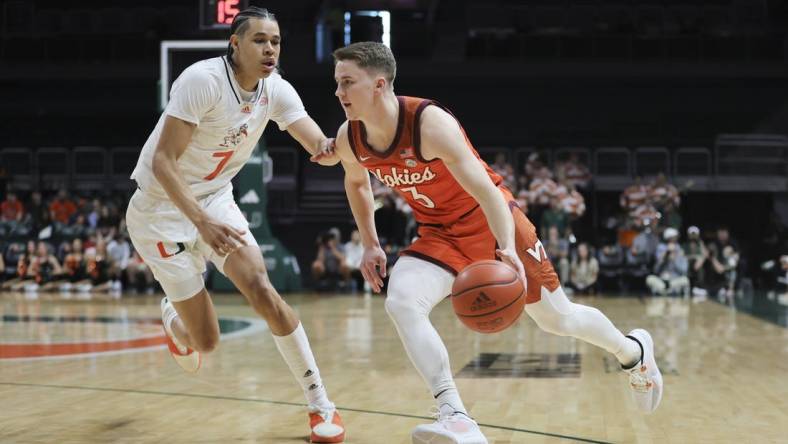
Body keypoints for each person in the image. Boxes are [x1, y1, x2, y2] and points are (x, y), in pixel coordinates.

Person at [324, 41, 662, 444]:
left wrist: (506, 249)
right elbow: (356, 181)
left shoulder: (430, 125)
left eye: (347, 83)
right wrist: (370, 244)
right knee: (401, 300)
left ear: (379, 85)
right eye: (337, 83)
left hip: (494, 223)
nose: (338, 93)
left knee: (558, 320)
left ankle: (633, 354)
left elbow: (487, 193)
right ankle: (455, 415)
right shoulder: (350, 138)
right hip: (439, 234)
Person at [125, 7, 344, 442]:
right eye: (260, 40)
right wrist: (200, 223)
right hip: (159, 210)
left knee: (262, 288)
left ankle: (321, 405)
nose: (270, 49)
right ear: (235, 44)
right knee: (205, 343)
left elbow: (317, 143)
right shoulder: (201, 81)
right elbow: (164, 163)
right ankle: (174, 318)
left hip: (215, 199)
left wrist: (339, 147)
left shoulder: (276, 90)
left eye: (276, 41)